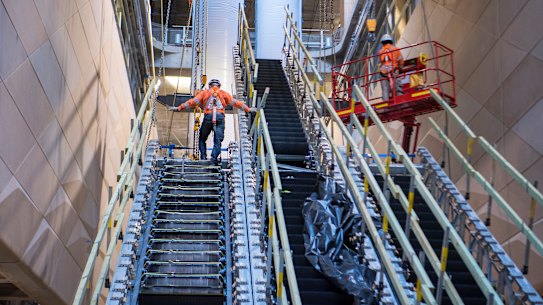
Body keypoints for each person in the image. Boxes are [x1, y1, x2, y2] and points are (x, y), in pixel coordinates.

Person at [169, 79, 255, 163]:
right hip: (220, 117)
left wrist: (179, 108)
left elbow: (192, 102)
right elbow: (236, 103)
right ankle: (213, 159)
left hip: (208, 117)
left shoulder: (204, 93)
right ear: (219, 86)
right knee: (217, 140)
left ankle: (203, 157)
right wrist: (248, 109)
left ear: (209, 85)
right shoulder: (223, 93)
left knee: (202, 139)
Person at [378, 34, 404, 100]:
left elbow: (381, 62)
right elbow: (401, 60)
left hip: (383, 72)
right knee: (397, 85)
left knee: (385, 89)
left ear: (383, 42)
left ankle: (385, 101)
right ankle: (400, 98)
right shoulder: (395, 49)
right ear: (390, 41)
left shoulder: (380, 51)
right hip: (393, 69)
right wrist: (400, 67)